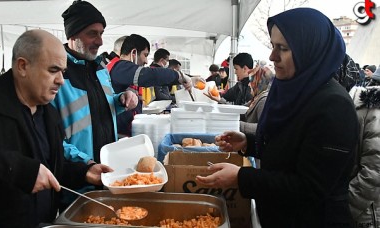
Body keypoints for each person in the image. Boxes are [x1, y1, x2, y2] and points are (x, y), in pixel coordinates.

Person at [196, 8, 359, 227]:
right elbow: (289, 147)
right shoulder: (288, 89)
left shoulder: (334, 106)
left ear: (309, 51)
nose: (272, 56)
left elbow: (310, 187)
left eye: (283, 48)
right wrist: (248, 143)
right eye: (273, 46)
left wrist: (241, 177)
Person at [0, 29, 111, 227]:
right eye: (53, 70)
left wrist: (84, 172)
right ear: (22, 66)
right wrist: (18, 170)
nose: (61, 81)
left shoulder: (49, 113)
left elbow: (50, 166)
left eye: (63, 72)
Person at [52, 0, 138, 207]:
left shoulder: (99, 67)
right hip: (76, 179)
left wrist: (121, 100)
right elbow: (50, 136)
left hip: (106, 173)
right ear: (73, 35)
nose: (100, 41)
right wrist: (86, 165)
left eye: (101, 33)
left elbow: (96, 109)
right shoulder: (57, 73)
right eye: (92, 33)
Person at [108, 34, 201, 136]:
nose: (146, 61)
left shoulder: (122, 69)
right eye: (145, 55)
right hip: (120, 133)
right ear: (134, 53)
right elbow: (151, 75)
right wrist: (180, 76)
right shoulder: (120, 68)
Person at [348, 71, 380, 227]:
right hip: (367, 212)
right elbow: (373, 173)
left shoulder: (362, 102)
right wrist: (349, 206)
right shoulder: (376, 112)